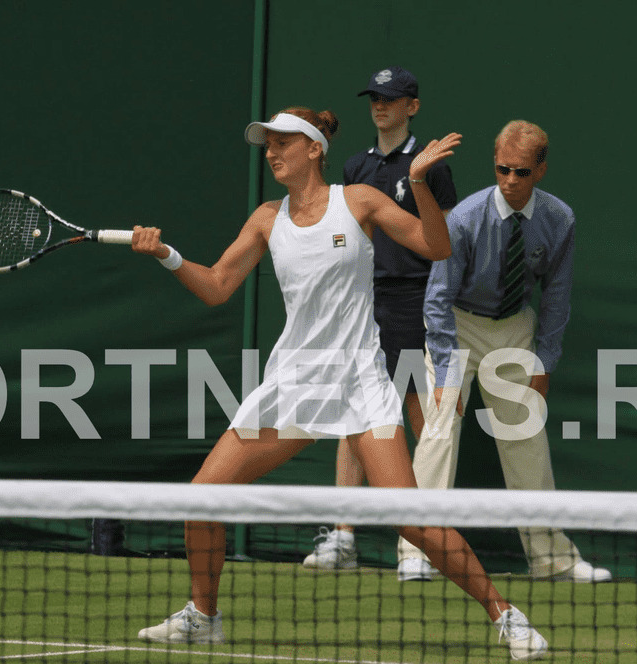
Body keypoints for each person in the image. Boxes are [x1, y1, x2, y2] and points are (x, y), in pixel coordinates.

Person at [131, 108, 547, 660]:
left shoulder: (360, 202)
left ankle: (508, 616)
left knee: (413, 519)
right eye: (268, 146)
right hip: (295, 381)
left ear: (313, 149)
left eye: (283, 144)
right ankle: (204, 616)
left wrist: (419, 182)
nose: (272, 153)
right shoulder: (265, 218)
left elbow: (436, 245)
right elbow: (216, 285)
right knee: (202, 498)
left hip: (359, 381)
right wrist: (167, 255)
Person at [409, 119, 611, 584]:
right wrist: (443, 369)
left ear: (540, 170)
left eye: (521, 172)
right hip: (456, 325)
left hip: (515, 327)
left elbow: (557, 294)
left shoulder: (559, 219)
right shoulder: (464, 217)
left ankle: (551, 560)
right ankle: (417, 552)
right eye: (502, 170)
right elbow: (437, 296)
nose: (510, 181)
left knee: (527, 441)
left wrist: (545, 360)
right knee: (439, 432)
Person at [299, 66, 459, 581]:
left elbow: (444, 242)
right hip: (366, 308)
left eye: (391, 99)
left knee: (417, 419)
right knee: (354, 417)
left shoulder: (430, 165)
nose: (380, 106)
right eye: (375, 98)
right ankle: (343, 537)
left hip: (416, 302)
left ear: (412, 105)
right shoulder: (354, 167)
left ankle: (416, 547)